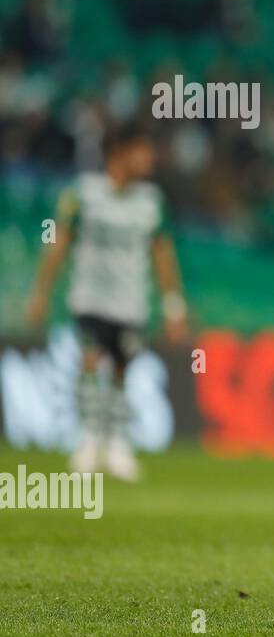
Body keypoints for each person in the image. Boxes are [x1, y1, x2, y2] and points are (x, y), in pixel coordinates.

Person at [25, 122, 188, 480]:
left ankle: (116, 444)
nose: (148, 159)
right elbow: (59, 242)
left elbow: (163, 254)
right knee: (88, 362)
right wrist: (41, 292)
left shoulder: (151, 202)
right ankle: (88, 440)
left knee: (120, 372)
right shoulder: (82, 194)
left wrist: (173, 305)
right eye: (141, 151)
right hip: (88, 298)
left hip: (130, 304)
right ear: (119, 152)